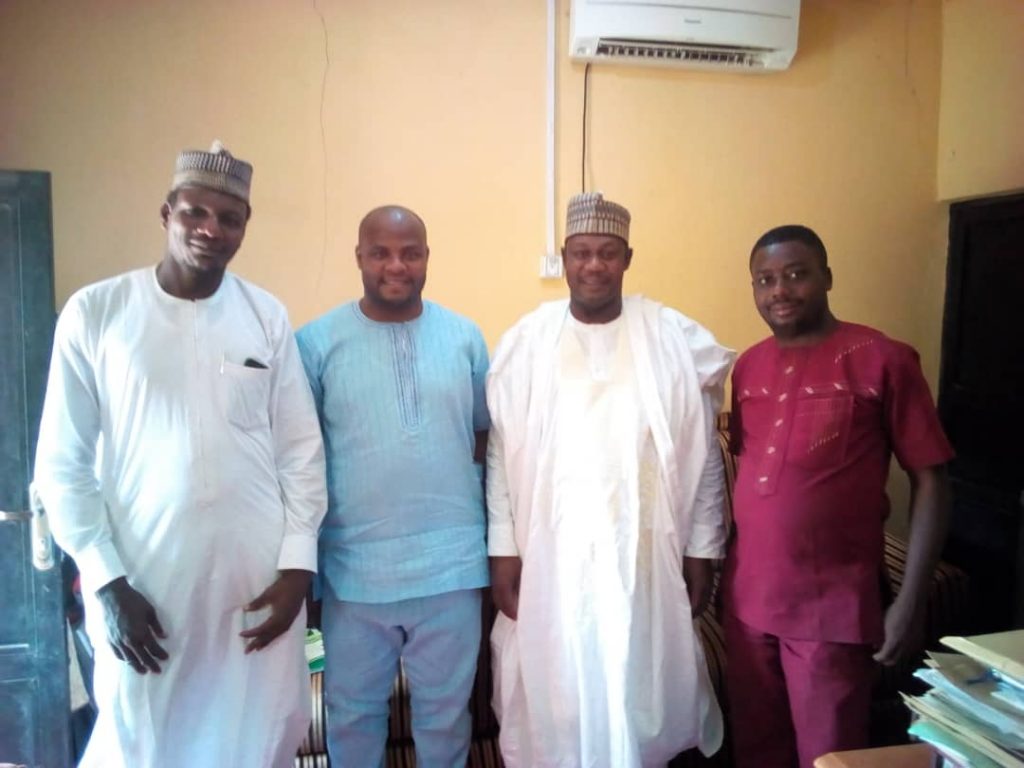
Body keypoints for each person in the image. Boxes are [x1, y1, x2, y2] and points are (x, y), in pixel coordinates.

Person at [33, 142, 327, 768]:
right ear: (167, 212)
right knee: (143, 737)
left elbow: (300, 450)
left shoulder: (264, 315)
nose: (210, 229)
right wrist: (106, 582)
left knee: (260, 731)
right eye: (195, 212)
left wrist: (298, 570)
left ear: (245, 226)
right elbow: (62, 464)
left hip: (256, 585)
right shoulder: (97, 313)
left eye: (229, 218)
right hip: (144, 587)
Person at [486, 192, 734, 767]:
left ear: (628, 258)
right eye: (581, 252)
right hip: (553, 555)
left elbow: (703, 454)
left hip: (641, 557)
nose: (593, 265)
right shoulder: (528, 341)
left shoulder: (671, 337)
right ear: (564, 258)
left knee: (634, 685)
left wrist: (703, 548)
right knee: (560, 693)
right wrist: (503, 549)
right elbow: (501, 451)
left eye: (607, 252)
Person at [723, 224, 953, 768]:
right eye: (765, 280)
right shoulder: (747, 367)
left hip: (831, 610)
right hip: (748, 603)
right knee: (756, 753)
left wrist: (911, 601)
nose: (780, 290)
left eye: (796, 274)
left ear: (827, 277)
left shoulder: (882, 358)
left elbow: (933, 480)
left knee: (831, 758)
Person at [296, 205, 490, 767]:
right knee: (351, 719)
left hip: (452, 571)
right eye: (380, 253)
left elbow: (482, 439)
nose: (396, 266)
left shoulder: (465, 338)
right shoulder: (315, 344)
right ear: (359, 256)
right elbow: (301, 460)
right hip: (353, 576)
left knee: (446, 719)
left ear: (428, 257)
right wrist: (306, 573)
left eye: (410, 253)